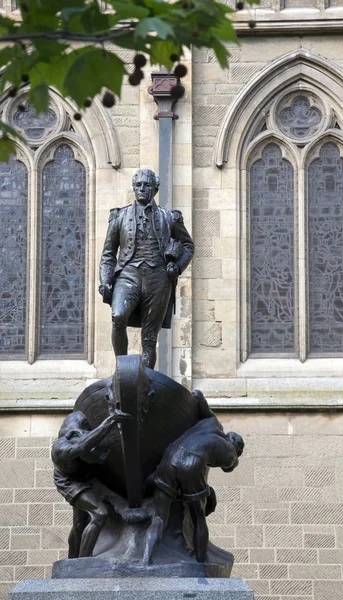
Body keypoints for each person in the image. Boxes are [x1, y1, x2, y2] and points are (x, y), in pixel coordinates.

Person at [99, 169, 194, 368]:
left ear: (155, 189)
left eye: (147, 185)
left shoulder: (169, 218)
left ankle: (145, 384)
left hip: (158, 278)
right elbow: (108, 254)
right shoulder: (119, 217)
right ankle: (122, 370)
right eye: (138, 185)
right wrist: (106, 281)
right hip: (128, 275)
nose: (142, 188)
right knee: (118, 316)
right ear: (134, 188)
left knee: (149, 338)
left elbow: (188, 245)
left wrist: (177, 267)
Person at [142, 416, 244, 565]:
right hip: (192, 462)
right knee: (199, 518)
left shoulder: (212, 423)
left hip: (171, 455)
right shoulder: (231, 453)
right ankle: (200, 562)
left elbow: (199, 398)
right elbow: (228, 467)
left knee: (159, 519)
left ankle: (145, 560)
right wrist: (235, 455)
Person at [52, 410, 151, 558]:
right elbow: (79, 448)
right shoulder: (61, 448)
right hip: (70, 482)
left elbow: (90, 446)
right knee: (99, 513)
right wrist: (109, 422)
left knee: (80, 523)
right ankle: (83, 561)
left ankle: (72, 559)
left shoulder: (82, 430)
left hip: (88, 478)